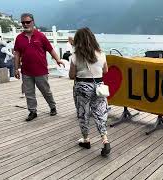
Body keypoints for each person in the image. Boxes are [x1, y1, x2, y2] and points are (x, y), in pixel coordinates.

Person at [14, 13, 65, 121]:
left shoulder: (40, 36)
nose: (25, 24)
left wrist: (58, 59)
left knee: (46, 91)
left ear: (33, 22)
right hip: (26, 71)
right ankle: (32, 111)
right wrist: (16, 68)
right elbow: (17, 54)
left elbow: (50, 49)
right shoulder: (19, 38)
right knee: (29, 93)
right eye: (23, 22)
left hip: (41, 70)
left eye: (27, 22)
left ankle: (52, 107)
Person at [68, 27, 110, 156]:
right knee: (100, 113)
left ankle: (86, 140)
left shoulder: (75, 56)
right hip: (98, 86)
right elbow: (105, 71)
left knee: (83, 114)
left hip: (82, 87)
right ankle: (105, 140)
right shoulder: (101, 54)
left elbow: (71, 75)